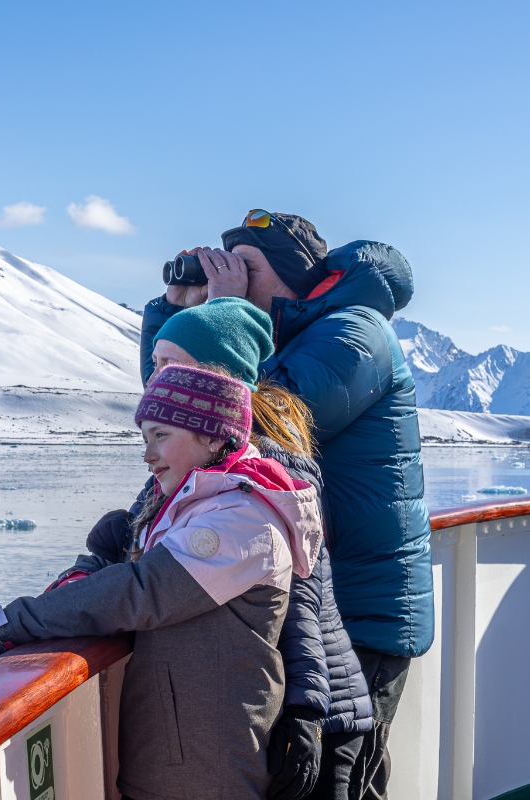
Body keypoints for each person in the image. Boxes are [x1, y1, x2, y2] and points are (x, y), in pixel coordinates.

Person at [140, 211, 434, 800]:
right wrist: (177, 313)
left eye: (249, 268)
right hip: (307, 608)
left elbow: (248, 418)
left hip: (360, 612)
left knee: (341, 778)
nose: (235, 277)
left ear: (295, 279)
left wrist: (226, 314)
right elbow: (173, 412)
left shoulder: (355, 331)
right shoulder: (290, 337)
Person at [0, 363, 323, 800]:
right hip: (179, 755)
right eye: (144, 437)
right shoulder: (193, 504)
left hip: (209, 768)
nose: (147, 454)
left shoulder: (241, 519)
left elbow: (140, 591)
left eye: (162, 436)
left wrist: (9, 622)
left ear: (213, 436)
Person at [88, 298, 374, 800]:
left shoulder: (266, 461)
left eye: (168, 364)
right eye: (154, 364)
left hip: (320, 710)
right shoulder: (197, 459)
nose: (155, 376)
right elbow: (139, 538)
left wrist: (307, 711)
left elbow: (302, 596)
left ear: (214, 372)